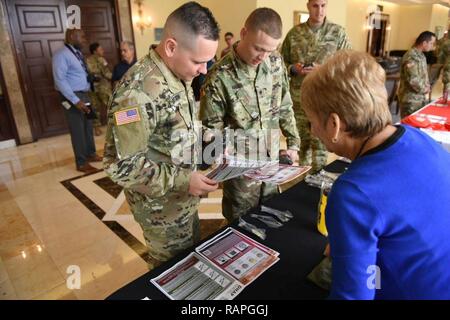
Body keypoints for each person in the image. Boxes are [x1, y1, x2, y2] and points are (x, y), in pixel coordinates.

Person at [301, 50, 450, 300]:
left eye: (312, 121)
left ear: (334, 125)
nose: (312, 130)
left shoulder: (353, 193)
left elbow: (354, 295)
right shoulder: (421, 137)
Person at [103, 1, 220, 269]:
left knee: (189, 264)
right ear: (170, 46)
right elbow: (120, 166)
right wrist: (183, 180)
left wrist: (211, 142)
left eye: (207, 61)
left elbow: (176, 127)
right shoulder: (137, 94)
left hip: (183, 201)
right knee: (170, 273)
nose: (204, 70)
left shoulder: (178, 74)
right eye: (199, 62)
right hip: (161, 212)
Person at [200, 8, 300, 222]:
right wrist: (220, 154)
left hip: (272, 167)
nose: (263, 57)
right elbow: (210, 131)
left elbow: (284, 105)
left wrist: (293, 143)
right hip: (241, 177)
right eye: (258, 48)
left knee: (272, 222)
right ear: (243, 33)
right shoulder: (219, 77)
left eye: (270, 50)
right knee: (241, 226)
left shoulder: (275, 63)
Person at [281, 0, 351, 172]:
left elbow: (347, 64)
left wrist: (324, 69)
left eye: (323, 5)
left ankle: (318, 179)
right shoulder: (294, 33)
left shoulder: (338, 33)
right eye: (315, 5)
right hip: (299, 99)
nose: (319, 10)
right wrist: (293, 68)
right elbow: (281, 63)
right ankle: (303, 180)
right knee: (301, 142)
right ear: (308, 6)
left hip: (325, 100)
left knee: (321, 144)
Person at [52, 28, 102, 173]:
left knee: (88, 125)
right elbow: (59, 81)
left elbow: (76, 74)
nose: (85, 39)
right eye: (83, 36)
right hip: (72, 96)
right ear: (72, 36)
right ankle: (81, 163)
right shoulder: (61, 55)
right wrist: (75, 100)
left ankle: (90, 154)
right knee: (78, 130)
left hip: (84, 94)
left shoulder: (77, 53)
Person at [398, 31, 436, 118]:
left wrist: (427, 85)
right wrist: (425, 89)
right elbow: (413, 79)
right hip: (410, 99)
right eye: (431, 43)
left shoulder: (421, 55)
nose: (432, 46)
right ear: (424, 43)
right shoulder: (411, 56)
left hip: (419, 98)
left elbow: (423, 75)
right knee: (409, 126)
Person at [86, 42, 112, 136]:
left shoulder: (86, 60)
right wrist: (116, 77)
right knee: (112, 104)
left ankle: (97, 129)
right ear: (95, 51)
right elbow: (107, 73)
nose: (103, 51)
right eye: (100, 49)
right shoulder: (101, 59)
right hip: (102, 87)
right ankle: (117, 125)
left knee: (94, 108)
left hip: (90, 88)